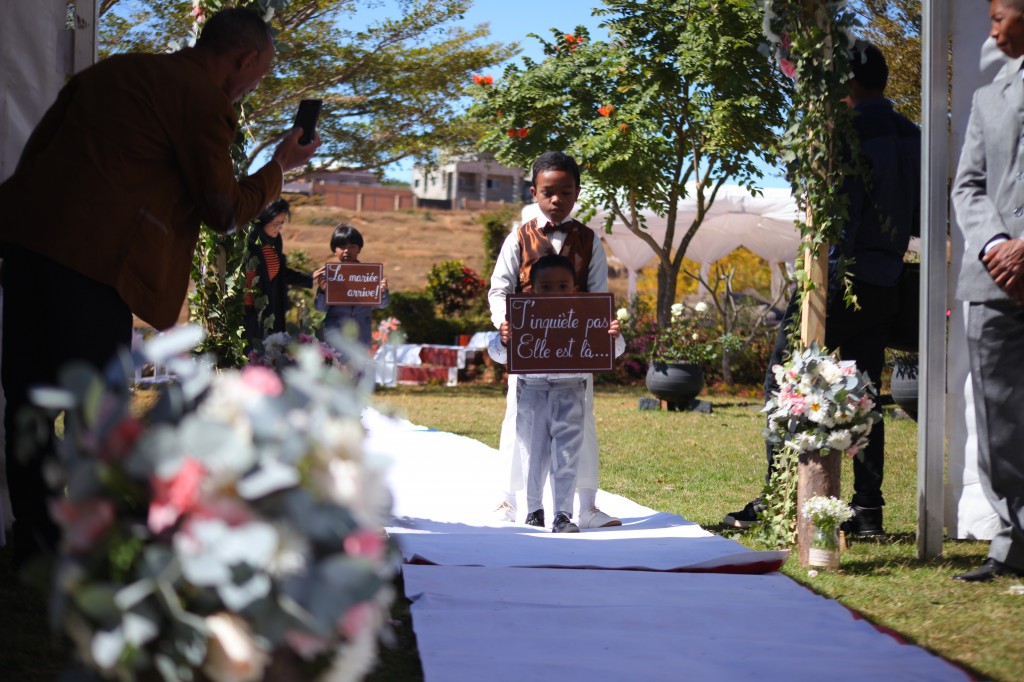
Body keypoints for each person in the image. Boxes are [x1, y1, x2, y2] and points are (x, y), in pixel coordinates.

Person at [0, 7, 319, 567]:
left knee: (27, 399)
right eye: (259, 74)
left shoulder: (112, 72)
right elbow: (224, 211)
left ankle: (34, 532)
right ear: (243, 61)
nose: (252, 87)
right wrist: (279, 166)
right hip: (96, 267)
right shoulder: (200, 100)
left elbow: (35, 160)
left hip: (29, 245)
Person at [723, 43, 921, 537]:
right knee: (865, 391)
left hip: (838, 277)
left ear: (846, 81)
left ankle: (780, 499)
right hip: (888, 276)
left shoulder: (846, 133)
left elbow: (840, 218)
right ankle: (867, 510)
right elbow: (919, 216)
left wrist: (827, 276)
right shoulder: (912, 135)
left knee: (783, 382)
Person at [488, 151, 621, 529]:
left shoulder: (590, 240)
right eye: (548, 192)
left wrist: (602, 329)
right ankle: (510, 502)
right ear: (534, 192)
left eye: (565, 192)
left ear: (577, 193)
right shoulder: (518, 237)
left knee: (582, 425)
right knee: (519, 423)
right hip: (528, 348)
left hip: (575, 350)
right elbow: (499, 289)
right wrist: (505, 324)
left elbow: (597, 293)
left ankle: (586, 507)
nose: (556, 200)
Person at [948, 0, 1024, 582]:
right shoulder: (986, 96)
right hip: (992, 277)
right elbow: (968, 185)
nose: (992, 28)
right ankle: (1012, 539)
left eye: (1001, 16)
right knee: (997, 416)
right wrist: (998, 243)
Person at [243, 199, 314, 348]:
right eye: (276, 223)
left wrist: (311, 278)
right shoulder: (246, 241)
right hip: (245, 315)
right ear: (263, 220)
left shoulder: (275, 241)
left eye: (282, 223)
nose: (279, 228)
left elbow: (281, 273)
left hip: (269, 312)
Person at [313, 223, 390, 348]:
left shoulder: (369, 275)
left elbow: (382, 304)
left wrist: (383, 291)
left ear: (359, 249)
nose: (347, 251)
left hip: (361, 338)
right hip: (334, 338)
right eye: (342, 247)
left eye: (352, 246)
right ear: (334, 250)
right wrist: (323, 291)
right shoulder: (330, 275)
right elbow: (321, 308)